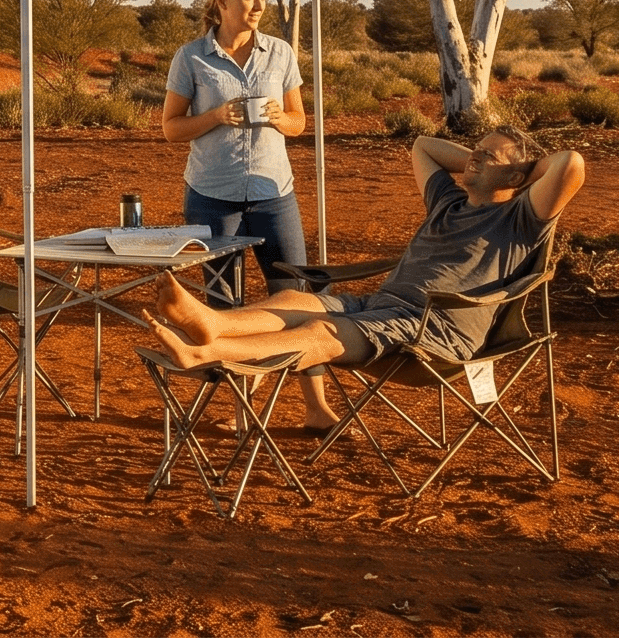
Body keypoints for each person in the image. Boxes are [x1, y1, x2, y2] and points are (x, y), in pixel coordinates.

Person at [140, 128, 588, 427]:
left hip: (432, 330)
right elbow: (423, 146)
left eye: (486, 156)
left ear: (517, 174)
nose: (472, 158)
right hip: (380, 305)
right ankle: (214, 324)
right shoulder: (447, 202)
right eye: (474, 149)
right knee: (298, 302)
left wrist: (521, 174)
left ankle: (208, 351)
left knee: (321, 331)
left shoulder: (521, 218)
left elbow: (570, 164)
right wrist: (484, 160)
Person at [160, 0, 311, 307]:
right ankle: (221, 363)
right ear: (222, 1)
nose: (259, 7)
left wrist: (278, 118)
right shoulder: (191, 58)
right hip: (212, 197)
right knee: (222, 301)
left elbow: (298, 122)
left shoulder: (280, 53)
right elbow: (171, 128)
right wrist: (216, 116)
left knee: (294, 296)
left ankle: (294, 362)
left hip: (274, 194)